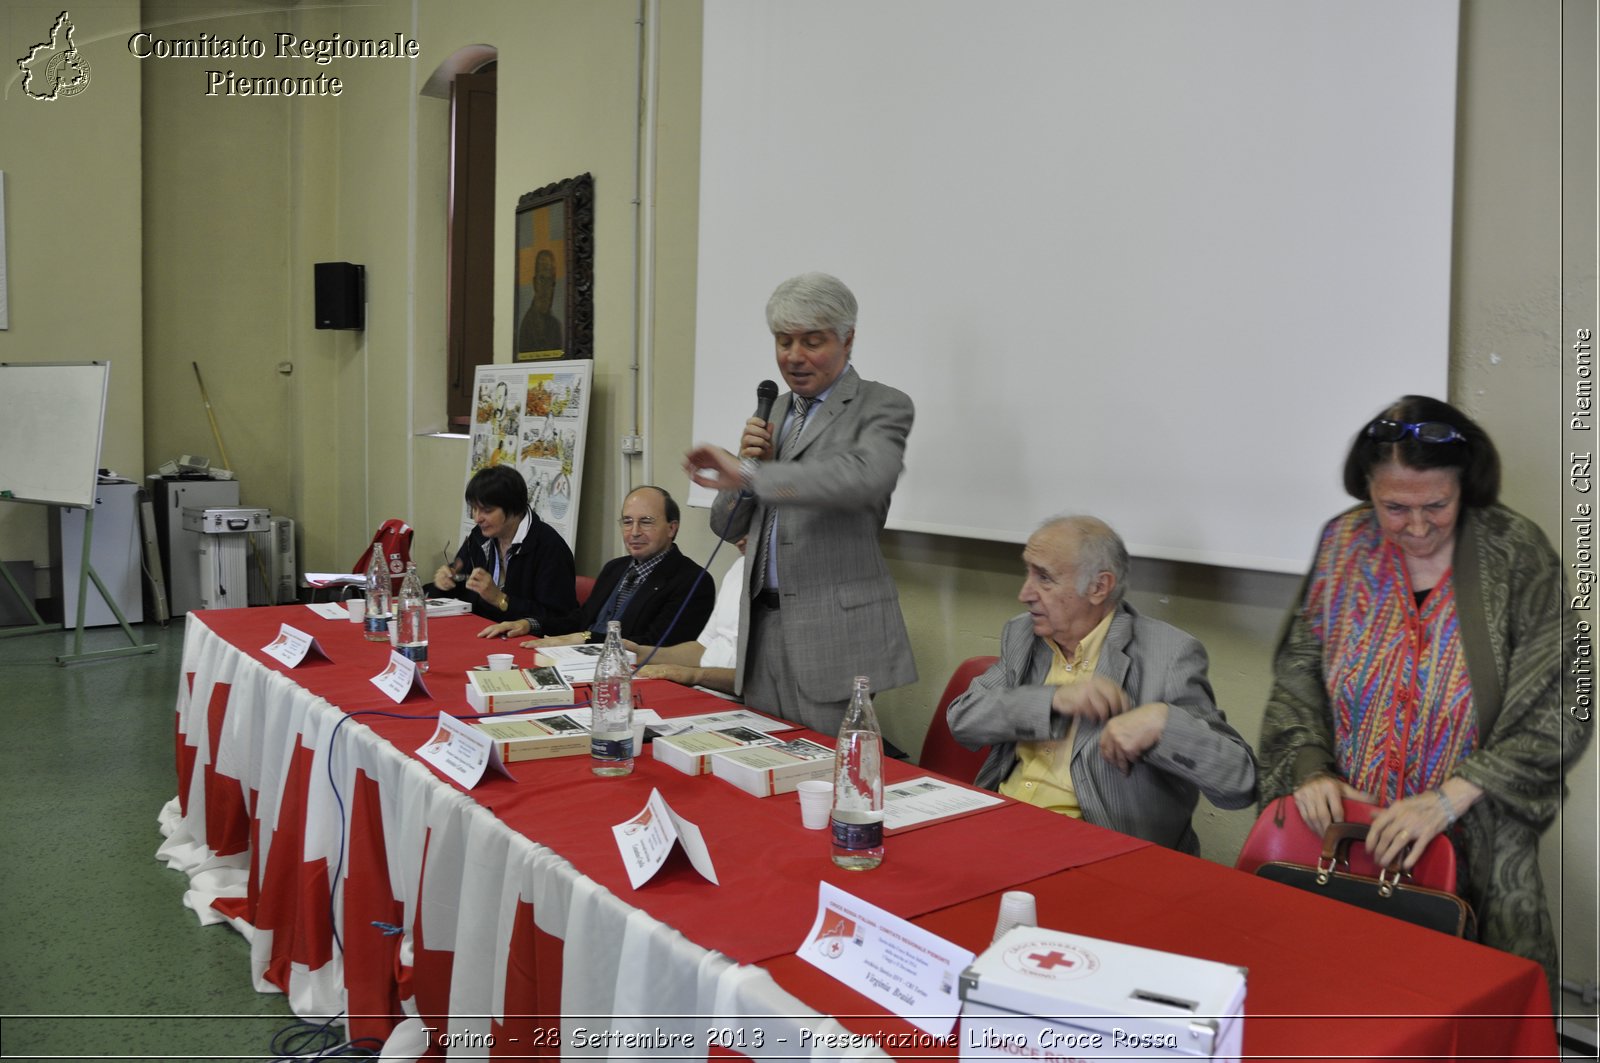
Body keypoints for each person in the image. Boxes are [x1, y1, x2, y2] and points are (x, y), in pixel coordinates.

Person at [1259, 395, 1586, 984]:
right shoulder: (1342, 544)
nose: (1415, 526)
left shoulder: (1516, 553)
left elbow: (1565, 703)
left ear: (1466, 485)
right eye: (1393, 507)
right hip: (1350, 834)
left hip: (1475, 837)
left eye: (1436, 504)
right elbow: (1298, 673)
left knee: (1476, 1000)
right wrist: (1310, 767)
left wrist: (1450, 798)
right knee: (1343, 992)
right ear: (1367, 491)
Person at [684, 272, 916, 734]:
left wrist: (755, 473)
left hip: (834, 635)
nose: (794, 357)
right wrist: (743, 474)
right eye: (784, 341)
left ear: (848, 341)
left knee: (826, 776)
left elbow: (861, 479)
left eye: (812, 341)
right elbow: (728, 528)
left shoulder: (882, 405)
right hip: (761, 630)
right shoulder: (773, 410)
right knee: (761, 764)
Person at [947, 515, 1256, 854]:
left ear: (1098, 587)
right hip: (1002, 823)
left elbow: (1239, 782)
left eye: (1044, 578)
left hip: (1095, 849)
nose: (1025, 593)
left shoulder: (1167, 654)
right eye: (1028, 572)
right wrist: (1052, 700)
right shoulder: (1023, 634)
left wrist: (1163, 725)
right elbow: (963, 720)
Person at [480, 485, 714, 646]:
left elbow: (655, 645)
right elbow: (580, 620)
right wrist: (529, 624)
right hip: (578, 661)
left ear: (672, 528)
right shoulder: (616, 568)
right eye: (627, 522)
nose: (634, 532)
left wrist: (584, 639)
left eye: (646, 522)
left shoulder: (692, 581)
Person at [431, 465, 578, 627]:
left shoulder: (550, 548)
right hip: (479, 630)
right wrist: (443, 584)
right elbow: (461, 592)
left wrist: (500, 599)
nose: (477, 518)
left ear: (514, 508)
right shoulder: (479, 536)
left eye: (486, 510)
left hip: (522, 643)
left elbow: (561, 619)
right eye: (474, 509)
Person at [626, 539, 747, 694]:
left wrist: (693, 675)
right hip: (704, 689)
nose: (739, 540)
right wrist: (639, 653)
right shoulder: (739, 567)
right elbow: (702, 648)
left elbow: (759, 679)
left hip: (735, 699)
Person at [518, 249, 564, 355]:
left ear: (553, 286)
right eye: (542, 279)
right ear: (534, 283)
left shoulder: (556, 326)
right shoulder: (527, 326)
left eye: (549, 281)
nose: (545, 287)